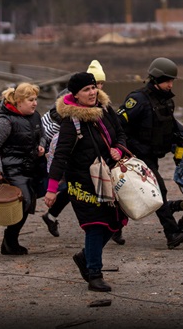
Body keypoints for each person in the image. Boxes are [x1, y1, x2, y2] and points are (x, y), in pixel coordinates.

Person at [45, 72, 127, 292]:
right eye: (86, 90)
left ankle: (85, 257)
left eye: (93, 88)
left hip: (109, 177)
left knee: (117, 220)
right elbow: (60, 156)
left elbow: (120, 133)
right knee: (95, 226)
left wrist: (118, 149)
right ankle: (94, 274)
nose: (92, 93)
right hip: (82, 182)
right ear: (76, 95)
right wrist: (52, 190)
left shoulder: (105, 109)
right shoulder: (71, 122)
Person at [117, 57, 183, 249]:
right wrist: (126, 149)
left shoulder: (165, 100)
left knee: (133, 193)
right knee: (158, 190)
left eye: (172, 81)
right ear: (156, 78)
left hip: (152, 154)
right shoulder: (138, 100)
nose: (171, 84)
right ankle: (172, 232)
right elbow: (119, 124)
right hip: (137, 156)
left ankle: (113, 227)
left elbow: (170, 122)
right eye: (167, 80)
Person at [0, 82, 46, 255]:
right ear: (18, 101)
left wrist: (41, 145)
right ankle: (10, 241)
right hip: (12, 168)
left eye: (36, 99)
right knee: (25, 202)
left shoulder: (35, 116)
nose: (35, 103)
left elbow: (42, 135)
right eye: (30, 100)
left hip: (31, 167)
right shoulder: (5, 121)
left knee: (27, 203)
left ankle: (10, 241)